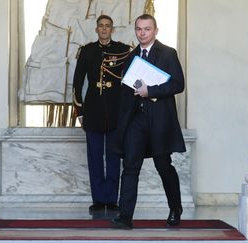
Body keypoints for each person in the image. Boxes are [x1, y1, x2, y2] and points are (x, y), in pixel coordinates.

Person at [110, 14, 186, 229]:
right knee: (130, 167)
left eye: (147, 29)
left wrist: (150, 91)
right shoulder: (131, 56)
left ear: (155, 31)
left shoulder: (168, 53)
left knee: (164, 166)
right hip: (136, 121)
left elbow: (178, 84)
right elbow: (126, 91)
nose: (142, 33)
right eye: (139, 29)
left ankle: (175, 208)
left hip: (159, 120)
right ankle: (125, 216)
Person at [72, 15, 131, 213]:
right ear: (96, 29)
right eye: (101, 26)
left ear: (112, 30)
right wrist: (79, 112)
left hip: (116, 112)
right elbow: (77, 84)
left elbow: (130, 81)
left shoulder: (123, 50)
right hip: (92, 111)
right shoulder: (87, 51)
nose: (104, 29)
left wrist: (127, 112)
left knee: (114, 158)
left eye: (108, 26)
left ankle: (112, 200)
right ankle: (98, 200)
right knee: (95, 158)